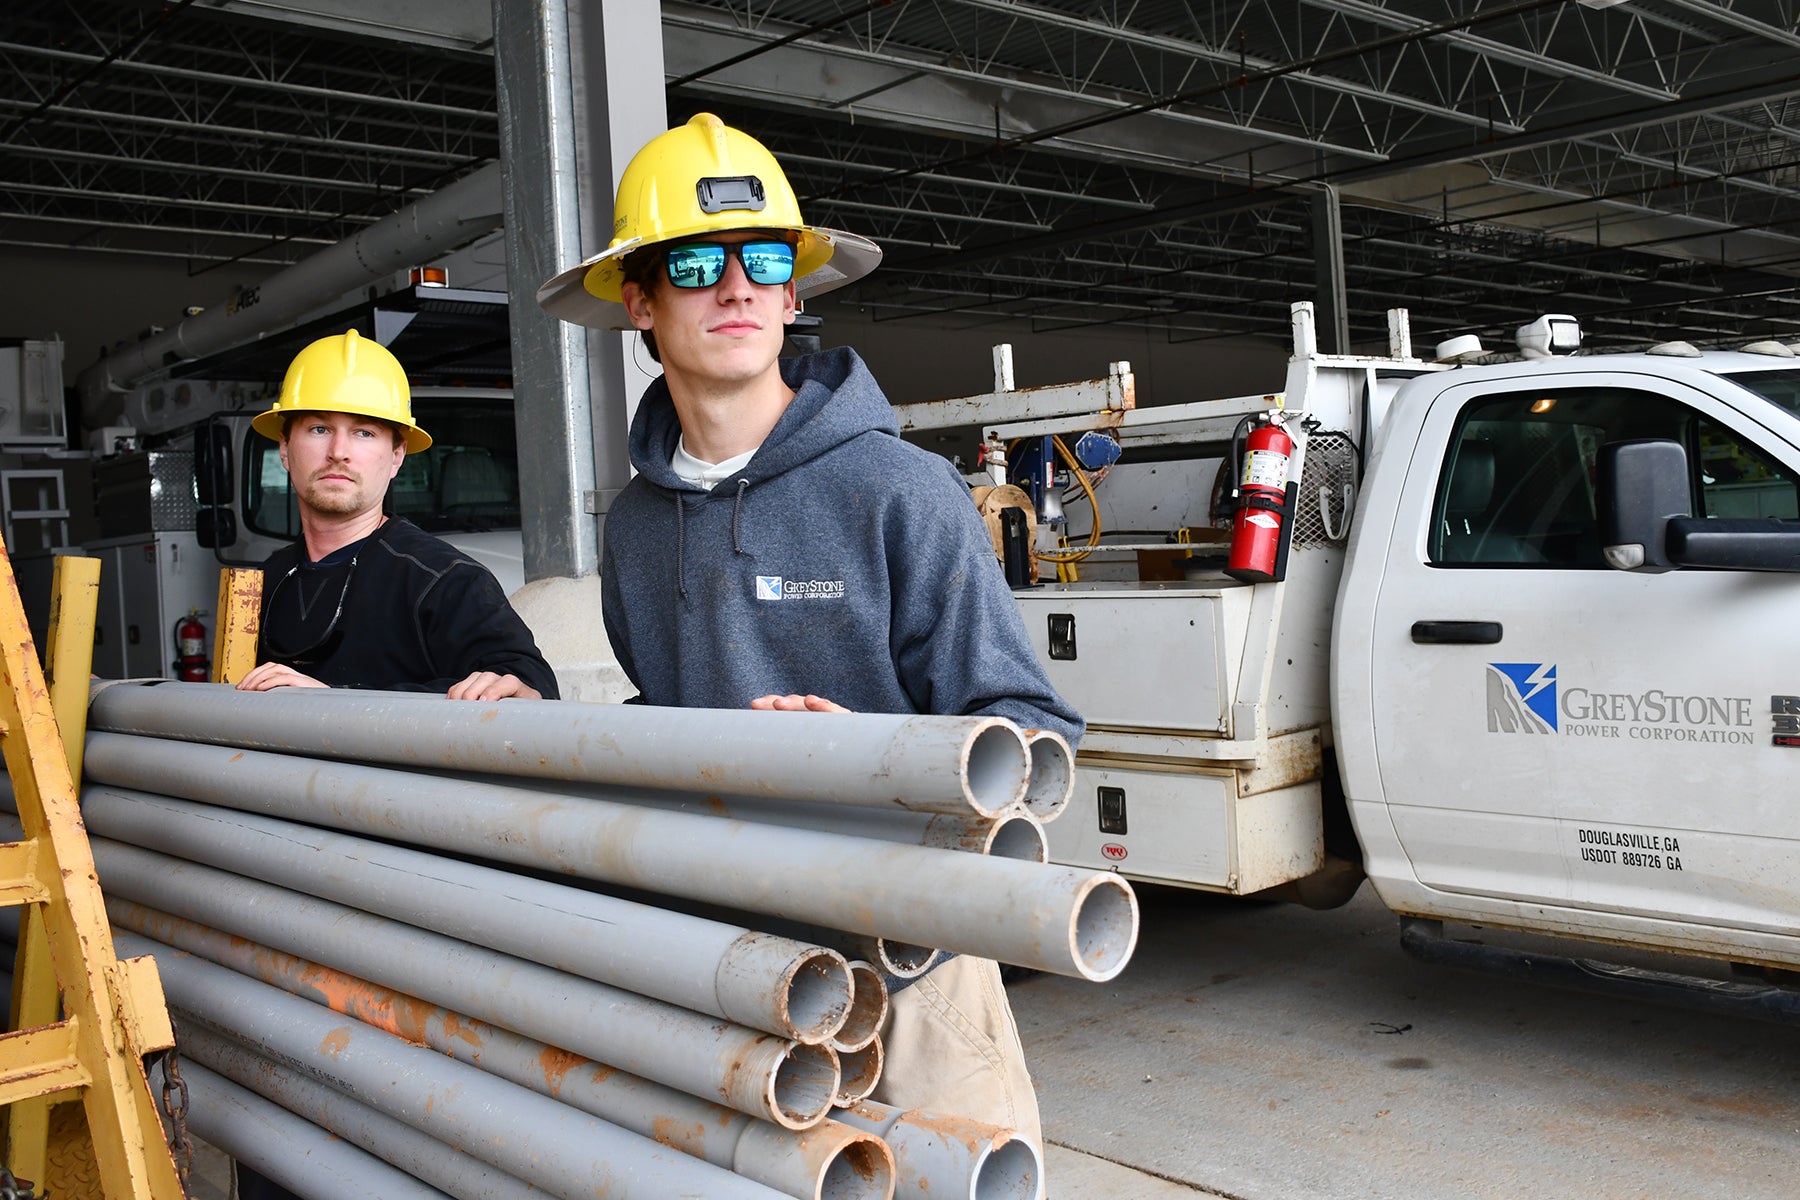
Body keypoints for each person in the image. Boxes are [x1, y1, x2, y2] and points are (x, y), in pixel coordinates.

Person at [538, 113, 1081, 1150]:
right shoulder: (639, 528)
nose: (736, 287)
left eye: (765, 260)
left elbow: (1031, 727)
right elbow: (672, 712)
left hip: (912, 965)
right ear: (640, 303)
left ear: (794, 293)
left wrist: (880, 764)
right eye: (697, 262)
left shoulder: (902, 492)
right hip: (729, 967)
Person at [235, 328, 558, 700]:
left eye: (364, 433)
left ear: (397, 456)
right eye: (319, 428)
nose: (338, 451)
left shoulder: (446, 583)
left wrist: (334, 701)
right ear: (286, 449)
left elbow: (530, 692)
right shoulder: (260, 586)